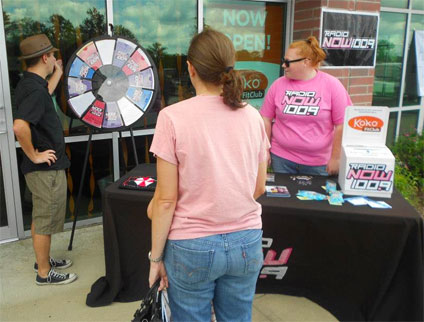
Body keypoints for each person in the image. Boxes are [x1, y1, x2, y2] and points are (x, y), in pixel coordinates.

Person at [147, 28, 269, 321]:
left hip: (191, 245)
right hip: (247, 240)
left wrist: (155, 258)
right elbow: (259, 186)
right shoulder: (253, 116)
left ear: (190, 68)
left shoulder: (172, 117)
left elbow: (165, 200)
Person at [13, 34, 77, 285]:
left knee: (40, 217)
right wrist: (34, 155)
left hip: (43, 170)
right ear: (44, 57)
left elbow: (45, 94)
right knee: (44, 221)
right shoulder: (34, 91)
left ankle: (44, 259)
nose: (53, 58)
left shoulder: (30, 84)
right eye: (52, 55)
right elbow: (19, 127)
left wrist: (57, 73)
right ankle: (44, 273)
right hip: (44, 171)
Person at [260, 36, 352, 176]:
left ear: (306, 62)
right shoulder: (278, 85)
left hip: (319, 163)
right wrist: (265, 151)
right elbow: (266, 119)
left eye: (287, 62)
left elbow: (342, 124)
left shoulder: (332, 85)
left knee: (315, 198)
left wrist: (336, 157)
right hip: (282, 158)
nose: (283, 65)